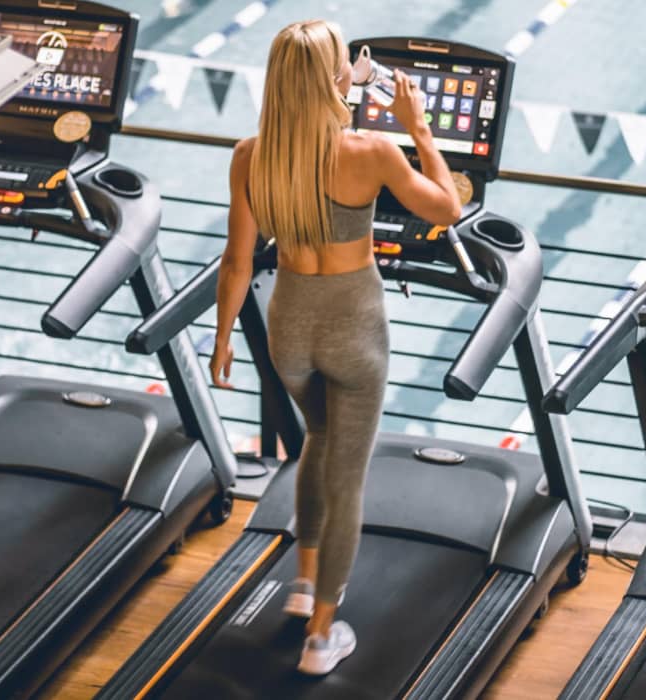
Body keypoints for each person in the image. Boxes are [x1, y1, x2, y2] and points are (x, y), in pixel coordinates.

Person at [209, 20, 461, 675]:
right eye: (346, 61)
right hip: (352, 327)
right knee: (347, 483)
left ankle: (303, 584)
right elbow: (445, 210)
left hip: (287, 325)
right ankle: (322, 637)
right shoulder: (372, 150)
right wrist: (420, 128)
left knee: (318, 443)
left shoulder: (249, 154)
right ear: (333, 77)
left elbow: (237, 261)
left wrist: (220, 343)